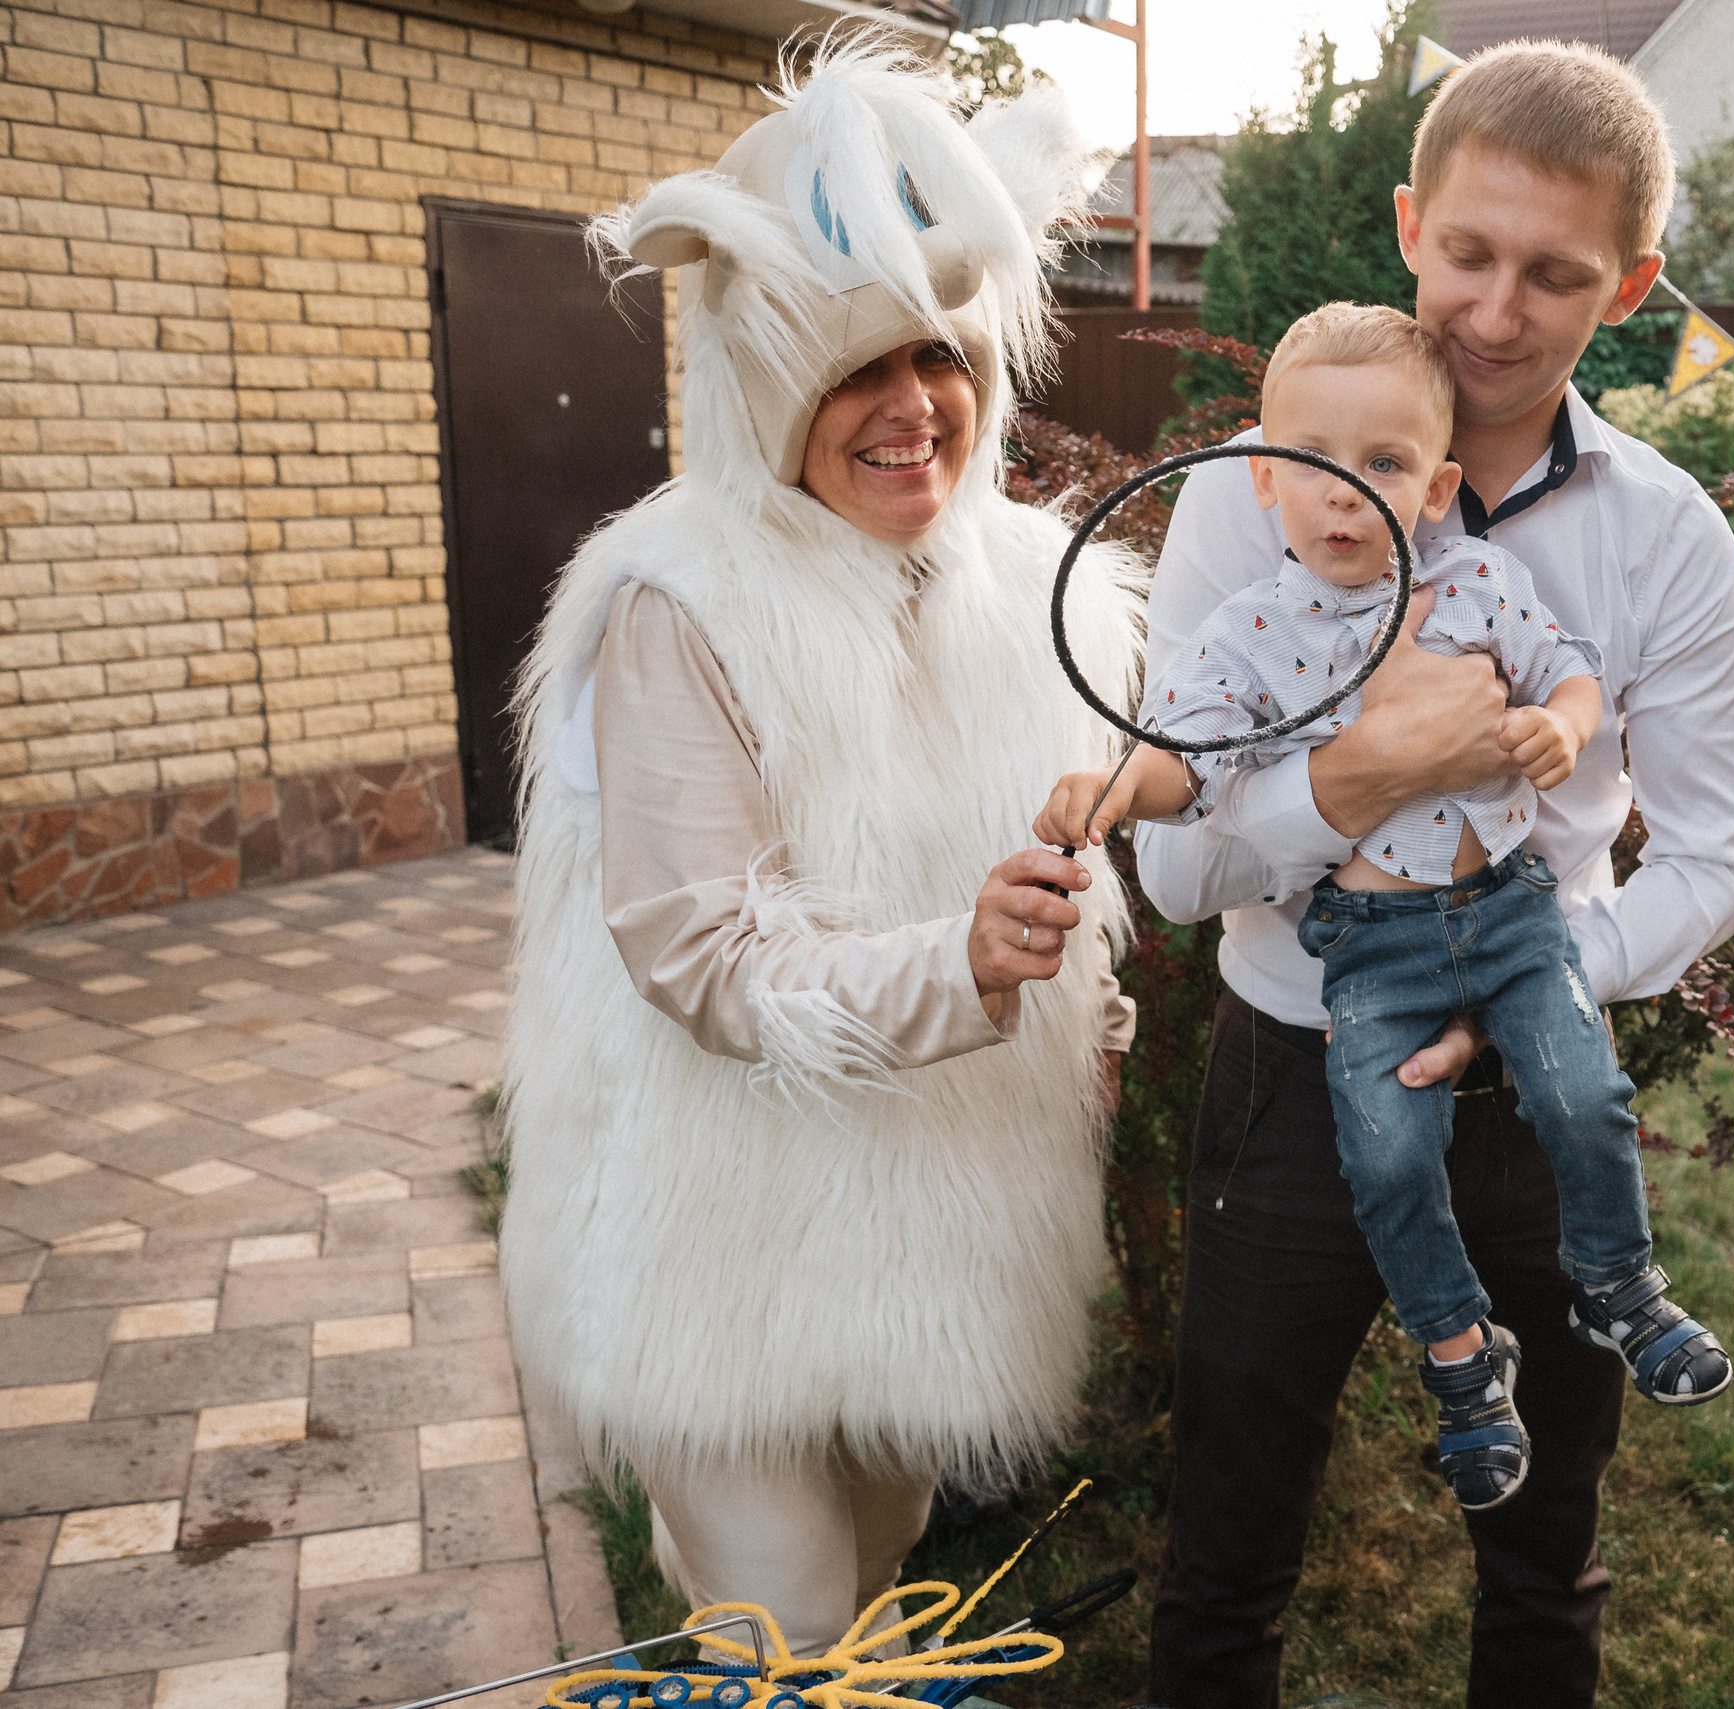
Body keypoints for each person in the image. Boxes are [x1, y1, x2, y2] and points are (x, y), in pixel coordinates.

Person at [1130, 43, 1734, 1709]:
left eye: (1557, 273)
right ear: (1410, 223)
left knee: (1547, 1562)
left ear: (1627, 284)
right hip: (1292, 1072)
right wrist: (1367, 776)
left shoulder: (1669, 535)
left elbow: (1711, 856)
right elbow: (1181, 869)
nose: (1497, 309)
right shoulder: (1242, 505)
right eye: (1469, 252)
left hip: (1537, 1099)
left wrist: (1535, 978)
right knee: (1226, 1549)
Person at [500, 42, 1143, 1659]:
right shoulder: (675, 597)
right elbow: (698, 946)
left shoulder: (1041, 589)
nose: (914, 406)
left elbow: (1090, 879)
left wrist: (1091, 1008)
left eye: (942, 355)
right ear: (766, 376)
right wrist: (960, 959)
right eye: (856, 368)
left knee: (885, 1554)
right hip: (721, 1224)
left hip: (938, 1209)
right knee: (788, 1629)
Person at [1036, 303, 1732, 1520]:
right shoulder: (1251, 629)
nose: (1347, 494)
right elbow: (1185, 768)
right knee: (1386, 1155)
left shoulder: (1478, 578)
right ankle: (1464, 1360)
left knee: (1580, 1091)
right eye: (1315, 467)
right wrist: (1109, 789)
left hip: (1515, 916)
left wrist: (1560, 726)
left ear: (1435, 484)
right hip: (1368, 956)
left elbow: (1570, 671)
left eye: (1387, 467)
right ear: (1263, 475)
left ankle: (1622, 1285)